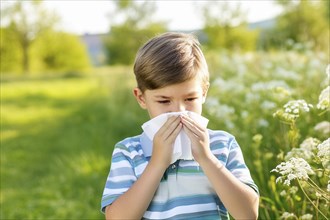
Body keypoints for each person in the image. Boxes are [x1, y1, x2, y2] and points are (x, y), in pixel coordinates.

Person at [101, 32, 259, 220]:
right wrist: (157, 163)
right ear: (141, 98)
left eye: (190, 98)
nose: (179, 111)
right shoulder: (129, 152)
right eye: (164, 101)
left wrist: (207, 158)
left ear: (203, 93)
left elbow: (248, 214)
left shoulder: (222, 144)